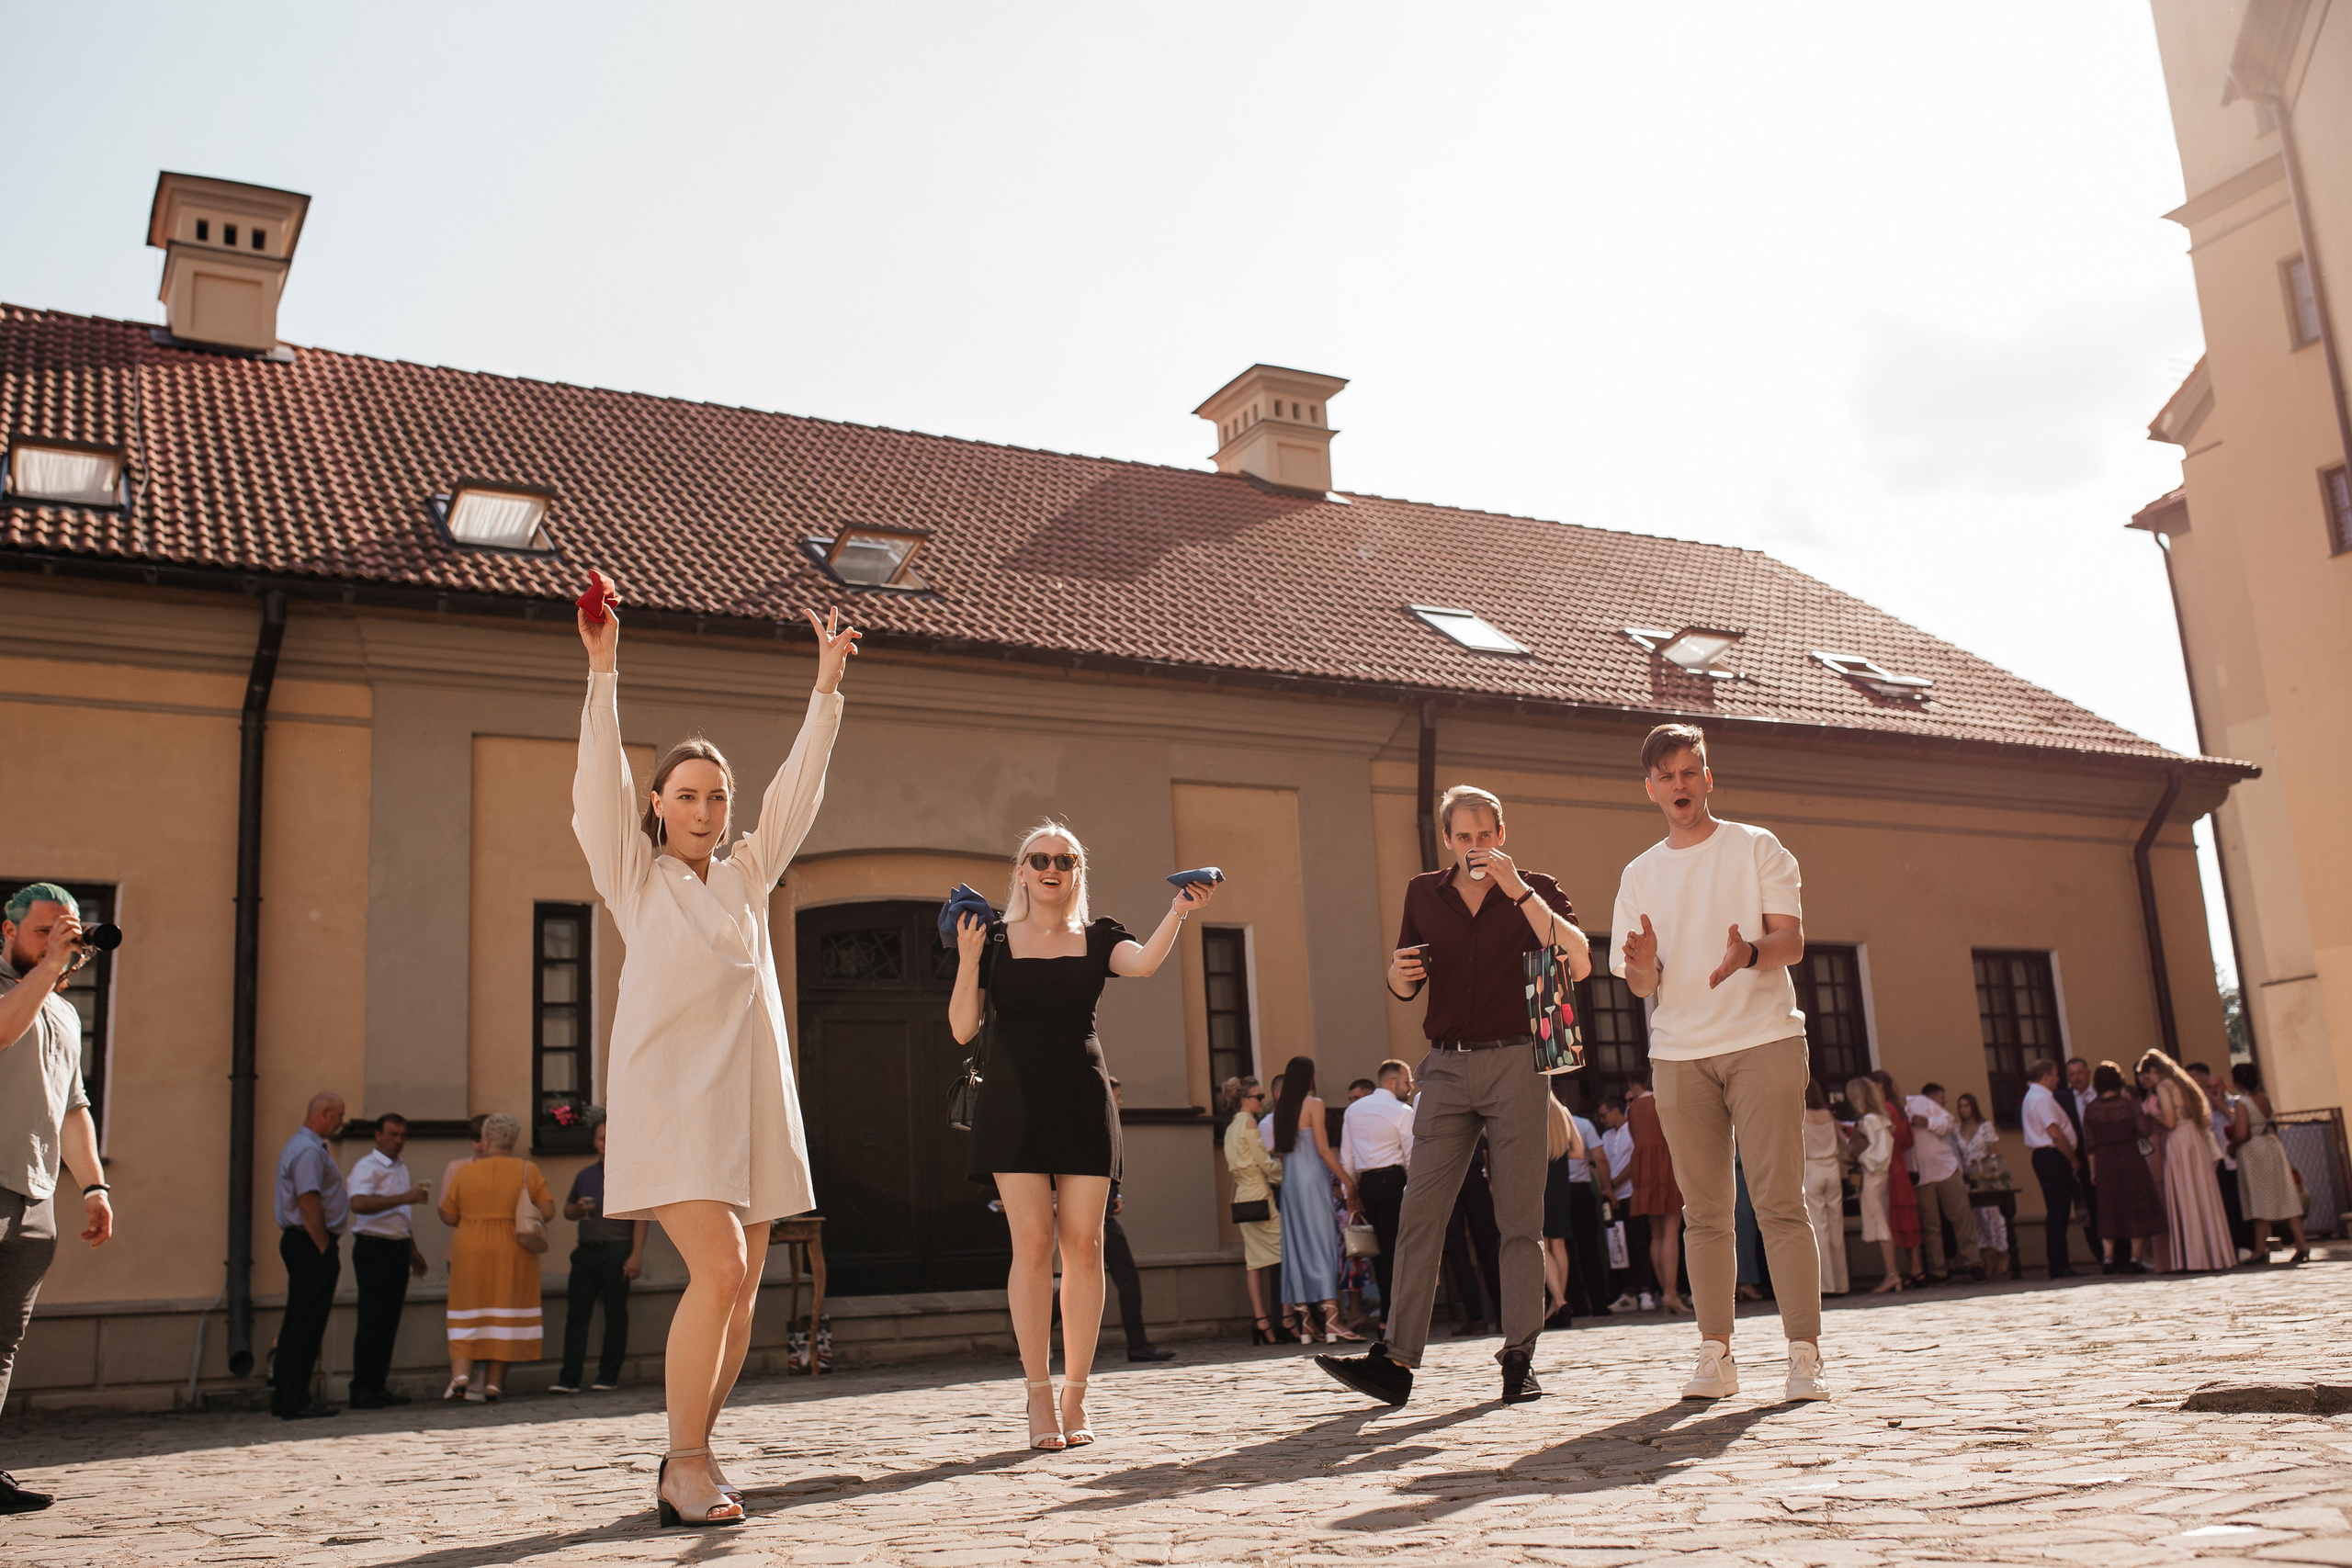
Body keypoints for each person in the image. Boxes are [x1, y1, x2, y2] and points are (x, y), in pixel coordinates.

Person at [574, 596, 859, 1527]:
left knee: (744, 1290)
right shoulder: (632, 875)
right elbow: (593, 789)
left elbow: (798, 792)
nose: (704, 809)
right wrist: (604, 669)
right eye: (686, 795)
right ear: (658, 804)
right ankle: (687, 1463)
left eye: (716, 797)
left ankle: (688, 1450)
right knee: (724, 1271)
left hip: (752, 1105)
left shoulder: (746, 874)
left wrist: (824, 689)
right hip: (668, 1104)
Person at [1317, 784, 1590, 1410]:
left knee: (1519, 1218)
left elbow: (1578, 958)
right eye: (1464, 836)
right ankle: (1396, 1360)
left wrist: (1518, 890)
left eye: (1486, 834)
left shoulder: (1536, 887)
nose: (1476, 847)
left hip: (1521, 1062)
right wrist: (1396, 975)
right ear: (1447, 839)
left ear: (1501, 832)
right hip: (1445, 1065)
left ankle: (1519, 1356)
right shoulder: (1423, 893)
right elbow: (1406, 974)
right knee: (1420, 1213)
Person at [952, 823, 1213, 1451]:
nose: (1051, 867)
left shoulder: (1099, 937)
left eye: (1064, 860)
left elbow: (1145, 963)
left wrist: (1178, 910)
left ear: (1076, 872)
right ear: (1020, 871)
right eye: (1039, 858)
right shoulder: (989, 939)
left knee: (1086, 1247)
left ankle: (1076, 1392)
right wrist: (966, 961)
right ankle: (1038, 1394)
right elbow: (963, 1029)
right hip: (1013, 1105)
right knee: (1034, 1245)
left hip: (1082, 1100)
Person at [1613, 724, 1825, 1403]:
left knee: (1778, 1202)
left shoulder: (1757, 846)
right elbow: (1640, 983)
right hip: (1677, 1054)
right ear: (1651, 789)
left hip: (1763, 1038)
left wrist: (1750, 954)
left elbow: (1791, 940)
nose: (1679, 783)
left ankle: (1803, 1355)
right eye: (1666, 775)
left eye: (1689, 770)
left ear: (1709, 777)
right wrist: (1642, 967)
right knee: (1704, 1211)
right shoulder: (1638, 874)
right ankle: (1715, 1354)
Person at [0, 885, 115, 1513]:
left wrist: (94, 1185)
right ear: (8, 930)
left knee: (1, 1341)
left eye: (66, 932)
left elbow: (74, 1109)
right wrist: (46, 971)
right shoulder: (16, 991)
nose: (57, 944)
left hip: (35, 1193)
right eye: (43, 931)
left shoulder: (65, 1013)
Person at [437, 1113, 555, 1403]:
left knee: (467, 1311)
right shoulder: (528, 1170)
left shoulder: (465, 1172)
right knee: (505, 1313)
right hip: (513, 1248)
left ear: (486, 1140)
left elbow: (449, 1215)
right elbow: (548, 1211)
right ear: (512, 1141)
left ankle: (461, 1377)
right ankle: (492, 1386)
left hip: (470, 1247)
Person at [267, 1090, 352, 1419]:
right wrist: (324, 1247)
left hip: (304, 1241)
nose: (342, 1122)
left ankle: (291, 1395)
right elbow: (308, 1201)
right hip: (309, 1241)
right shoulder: (307, 1151)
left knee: (300, 1320)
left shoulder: (304, 1147)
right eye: (339, 1115)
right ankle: (293, 1398)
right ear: (325, 1114)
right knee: (305, 1323)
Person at [1269, 1055, 1361, 1344]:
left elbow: (1282, 1154)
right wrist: (1347, 1181)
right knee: (1323, 1245)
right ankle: (1333, 1321)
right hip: (1312, 1181)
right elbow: (1322, 1149)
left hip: (1291, 1186)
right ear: (1309, 1077)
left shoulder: (1281, 1110)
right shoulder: (1314, 1105)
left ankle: (1308, 1325)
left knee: (1296, 1249)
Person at [553, 1119, 648, 1393]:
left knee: (615, 1314)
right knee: (576, 1314)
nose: (605, 1143)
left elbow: (642, 1218)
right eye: (601, 1138)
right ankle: (569, 1378)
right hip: (586, 1252)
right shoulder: (585, 1175)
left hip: (618, 1250)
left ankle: (608, 1375)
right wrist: (579, 1209)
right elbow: (567, 1211)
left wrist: (636, 1256)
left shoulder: (631, 1174)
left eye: (610, 1137)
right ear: (595, 1142)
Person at [345, 1112, 430, 1407]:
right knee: (372, 1320)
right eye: (393, 1135)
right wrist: (403, 1198)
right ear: (378, 1136)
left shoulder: (399, 1167)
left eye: (403, 1136)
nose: (399, 1141)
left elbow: (399, 1217)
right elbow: (358, 1203)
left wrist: (412, 1249)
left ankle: (377, 1386)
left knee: (389, 1321)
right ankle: (362, 1389)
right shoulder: (367, 1167)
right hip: (373, 1248)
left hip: (395, 1247)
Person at [2138, 1050, 2235, 1273]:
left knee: (2186, 1196)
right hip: (2195, 1138)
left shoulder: (2164, 1086)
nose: (2148, 1081)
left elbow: (2170, 1122)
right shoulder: (2184, 1083)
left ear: (2153, 1070)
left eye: (2147, 1076)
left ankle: (2194, 1257)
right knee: (2202, 1194)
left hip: (2180, 1141)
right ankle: (2213, 1253)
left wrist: (2153, 1116)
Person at [1339, 1058, 1416, 1335]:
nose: (1410, 1087)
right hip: (1393, 1181)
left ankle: (1388, 1317)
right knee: (1395, 1250)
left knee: (1380, 1253)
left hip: (1367, 1184)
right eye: (1407, 1081)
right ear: (1392, 1082)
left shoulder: (1354, 1111)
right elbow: (1410, 1157)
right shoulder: (1403, 1111)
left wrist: (1351, 1192)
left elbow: (1346, 1158)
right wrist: (1413, 1188)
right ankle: (1390, 1318)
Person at [1104, 1079, 1175, 1362]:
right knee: (1127, 1280)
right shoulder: (1100, 1123)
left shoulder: (1106, 1124)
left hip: (1103, 1214)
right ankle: (1138, 1346)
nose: (1120, 1103)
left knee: (1089, 1278)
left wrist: (1116, 1195)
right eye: (1117, 1097)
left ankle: (1138, 1345)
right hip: (1100, 1220)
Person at [1221, 1077, 1287, 1343]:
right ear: (1245, 1100)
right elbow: (1265, 1164)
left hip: (1242, 1197)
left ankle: (1261, 1321)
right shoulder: (1249, 1123)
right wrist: (1289, 1174)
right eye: (1259, 1097)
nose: (1263, 1101)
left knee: (1254, 1262)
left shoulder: (1230, 1128)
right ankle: (1287, 1318)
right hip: (1259, 1195)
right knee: (1286, 1253)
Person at [2083, 1063, 2163, 1272]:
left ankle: (2108, 1257)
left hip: (2104, 1160)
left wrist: (2093, 1171)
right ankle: (2135, 1257)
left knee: (2108, 1209)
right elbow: (2144, 1130)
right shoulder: (2129, 1106)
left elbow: (2090, 1144)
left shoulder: (2091, 1109)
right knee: (2135, 1206)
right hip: (2130, 1157)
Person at [2228, 1063, 2308, 1266]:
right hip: (2272, 1145)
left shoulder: (2243, 1102)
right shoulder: (2264, 1098)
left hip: (2254, 1149)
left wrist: (2232, 1148)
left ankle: (2259, 1249)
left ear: (2237, 1081)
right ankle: (2302, 1244)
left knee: (2259, 1198)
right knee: (2285, 1193)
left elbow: (2241, 1132)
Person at [1905, 1083, 1980, 1282]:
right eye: (1943, 1097)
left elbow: (1948, 1123)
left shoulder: (1922, 1105)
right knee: (1931, 1226)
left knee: (1961, 1218)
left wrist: (1927, 1122)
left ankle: (1973, 1263)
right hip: (1921, 1175)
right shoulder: (1901, 1108)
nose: (1944, 1101)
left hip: (1946, 1169)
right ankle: (1938, 1270)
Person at [1623, 1080, 1686, 1314]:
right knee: (1671, 1231)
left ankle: (1666, 1292)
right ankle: (1670, 1293)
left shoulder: (1633, 1108)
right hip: (1665, 1163)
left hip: (1644, 1167)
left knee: (1656, 1235)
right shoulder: (1661, 1099)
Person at [2018, 1059, 2079, 1278]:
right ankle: (2059, 1265)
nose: (2058, 1079)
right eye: (2055, 1074)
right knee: (2058, 1211)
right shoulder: (2041, 1098)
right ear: (2045, 1076)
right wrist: (2073, 1159)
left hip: (2048, 1157)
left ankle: (2060, 1263)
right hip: (2052, 1156)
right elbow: (2054, 1132)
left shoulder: (2035, 1096)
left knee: (2058, 1210)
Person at [2188, 1063, 2255, 1259]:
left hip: (2237, 1160)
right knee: (2226, 1205)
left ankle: (2248, 1245)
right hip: (2217, 1163)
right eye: (2209, 1087)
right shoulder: (2203, 1107)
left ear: (2225, 1086)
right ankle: (2231, 1247)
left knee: (2242, 1203)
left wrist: (2221, 1106)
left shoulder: (2236, 1103)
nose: (2213, 1090)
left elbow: (2239, 1123)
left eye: (2217, 1086)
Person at [1597, 1097, 1654, 1310]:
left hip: (1631, 1192)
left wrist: (1613, 1184)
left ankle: (1646, 1291)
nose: (1602, 1119)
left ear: (1616, 1110)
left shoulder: (1632, 1130)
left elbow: (1634, 1162)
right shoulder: (1606, 1136)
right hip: (1613, 1197)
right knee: (1618, 1243)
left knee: (1638, 1242)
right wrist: (1607, 1189)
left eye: (1605, 1114)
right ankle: (1627, 1291)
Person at [1847, 1077, 1901, 1294]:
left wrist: (1852, 1151)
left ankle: (1892, 1274)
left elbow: (1873, 1155)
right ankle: (1893, 1274)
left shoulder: (1870, 1121)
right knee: (1882, 1224)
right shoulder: (1880, 1119)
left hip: (1873, 1176)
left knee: (1881, 1226)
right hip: (1881, 1176)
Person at [1871, 1070, 1925, 1286]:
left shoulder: (1886, 1109)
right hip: (1901, 1165)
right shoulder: (1900, 1109)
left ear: (1879, 1086)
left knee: (1893, 1220)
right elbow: (1909, 1141)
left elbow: (1881, 1139)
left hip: (1890, 1166)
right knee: (1907, 1218)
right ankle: (1915, 1268)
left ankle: (1898, 1272)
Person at [1539, 1095, 1586, 1325]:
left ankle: (1557, 1300)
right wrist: (1559, 1156)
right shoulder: (1563, 1111)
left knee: (1543, 1242)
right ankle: (1561, 1301)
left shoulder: (1532, 1110)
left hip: (1540, 1181)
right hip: (1560, 1181)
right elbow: (1579, 1151)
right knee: (1559, 1244)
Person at [1951, 1092, 2009, 1278]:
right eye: (1961, 1106)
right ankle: (1986, 1261)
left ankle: (2002, 1254)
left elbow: (1993, 1154)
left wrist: (1995, 1177)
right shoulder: (1956, 1130)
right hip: (1967, 1178)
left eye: (1967, 1105)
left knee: (1992, 1216)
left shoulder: (1985, 1127)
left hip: (1985, 1177)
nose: (1964, 1109)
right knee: (1975, 1220)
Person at [1800, 1081, 1849, 1297]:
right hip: (1833, 1170)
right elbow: (1845, 1140)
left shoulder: (1801, 1117)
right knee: (1836, 1227)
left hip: (1812, 1170)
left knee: (1819, 1228)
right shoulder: (1829, 1117)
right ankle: (1841, 1283)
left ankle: (1826, 1284)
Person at [1563, 1100, 1611, 1316]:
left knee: (1564, 1251)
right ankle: (1599, 1303)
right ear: (1565, 1102)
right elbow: (1600, 1157)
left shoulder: (1541, 1125)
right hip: (1581, 1191)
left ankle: (1577, 1305)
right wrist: (1606, 1187)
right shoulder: (1582, 1124)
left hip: (1556, 1194)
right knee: (1589, 1249)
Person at [2064, 1057, 2103, 1269]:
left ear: (2088, 1073)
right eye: (2071, 1074)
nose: (2076, 1078)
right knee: (2087, 1210)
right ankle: (2100, 1255)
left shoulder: (2101, 1094)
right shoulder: (2062, 1099)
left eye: (2079, 1073)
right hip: (2079, 1161)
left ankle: (2120, 1254)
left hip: (2104, 1157)